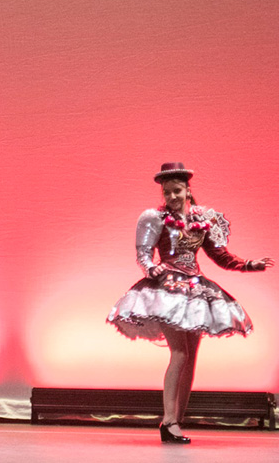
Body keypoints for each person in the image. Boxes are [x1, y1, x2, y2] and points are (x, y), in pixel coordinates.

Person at [106, 162, 272, 444]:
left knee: (191, 357)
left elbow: (220, 256)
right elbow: (144, 254)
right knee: (179, 353)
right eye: (167, 192)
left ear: (187, 190)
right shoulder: (154, 218)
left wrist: (248, 265)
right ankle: (168, 420)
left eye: (177, 191)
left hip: (195, 289)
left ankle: (176, 420)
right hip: (168, 289)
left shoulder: (202, 219)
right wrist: (151, 269)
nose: (172, 197)